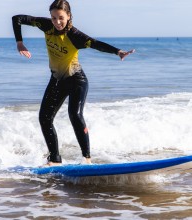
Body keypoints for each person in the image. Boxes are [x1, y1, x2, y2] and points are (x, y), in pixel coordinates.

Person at [12, 0, 135, 166]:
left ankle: (87, 158)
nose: (57, 22)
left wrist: (117, 52)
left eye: (61, 17)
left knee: (74, 114)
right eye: (54, 18)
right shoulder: (46, 25)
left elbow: (96, 44)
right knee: (44, 118)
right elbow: (17, 18)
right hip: (57, 80)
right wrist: (19, 42)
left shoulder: (75, 36)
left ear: (69, 16)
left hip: (77, 79)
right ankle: (55, 159)